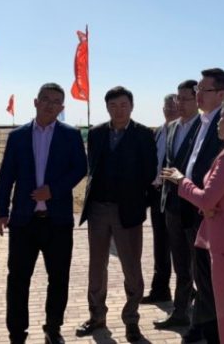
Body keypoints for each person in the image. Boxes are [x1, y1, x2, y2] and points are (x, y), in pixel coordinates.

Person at [162, 98, 224, 344]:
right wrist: (211, 206)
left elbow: (206, 198)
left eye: (223, 117)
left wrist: (181, 180)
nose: (218, 122)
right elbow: (223, 197)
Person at [0, 82, 88, 344]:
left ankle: (53, 328)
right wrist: (2, 211)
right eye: (45, 99)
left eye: (56, 101)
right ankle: (16, 333)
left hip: (57, 222)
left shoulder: (70, 135)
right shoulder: (18, 136)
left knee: (58, 278)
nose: (50, 105)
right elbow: (6, 175)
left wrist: (53, 190)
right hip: (23, 221)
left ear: (62, 107)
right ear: (36, 102)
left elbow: (80, 168)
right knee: (18, 279)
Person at [76, 86, 158, 343]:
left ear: (131, 106)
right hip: (98, 209)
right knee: (96, 266)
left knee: (131, 267)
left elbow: (150, 172)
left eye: (123, 105)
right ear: (107, 108)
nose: (119, 110)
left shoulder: (144, 134)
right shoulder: (97, 133)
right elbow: (92, 167)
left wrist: (141, 204)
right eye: (113, 105)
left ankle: (131, 319)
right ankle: (96, 315)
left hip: (129, 211)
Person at [181, 68, 224, 344]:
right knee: (199, 275)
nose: (197, 94)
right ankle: (199, 327)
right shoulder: (202, 121)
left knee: (211, 281)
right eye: (197, 89)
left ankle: (213, 334)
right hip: (193, 206)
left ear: (221, 95)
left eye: (204, 90)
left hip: (211, 210)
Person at [154, 80, 202, 330]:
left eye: (185, 99)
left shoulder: (205, 127)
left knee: (199, 266)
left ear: (197, 99)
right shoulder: (172, 128)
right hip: (172, 205)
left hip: (195, 206)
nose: (179, 103)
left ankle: (202, 319)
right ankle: (181, 311)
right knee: (180, 264)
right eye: (177, 99)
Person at [142, 94, 179, 304]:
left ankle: (187, 289)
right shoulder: (157, 132)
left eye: (174, 106)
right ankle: (160, 289)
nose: (170, 110)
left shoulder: (183, 131)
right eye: (167, 106)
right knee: (161, 244)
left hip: (175, 195)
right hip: (156, 195)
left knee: (180, 246)